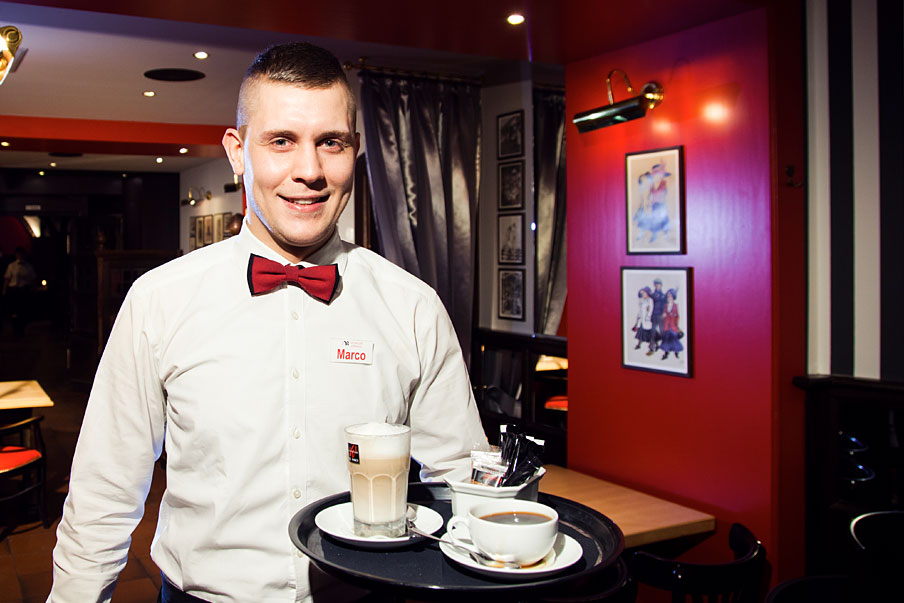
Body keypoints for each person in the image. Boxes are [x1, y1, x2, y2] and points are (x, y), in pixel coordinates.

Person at [49, 42, 488, 603]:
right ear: (237, 152)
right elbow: (104, 489)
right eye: (281, 141)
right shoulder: (159, 300)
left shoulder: (413, 306)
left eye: (331, 143)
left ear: (355, 151)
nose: (309, 171)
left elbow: (461, 487)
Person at [2, 246, 37, 336]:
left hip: (23, 290)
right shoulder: (12, 266)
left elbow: (32, 279)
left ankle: (21, 328)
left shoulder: (28, 266)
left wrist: (32, 289)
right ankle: (15, 328)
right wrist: (4, 290)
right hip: (14, 290)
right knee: (14, 310)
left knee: (23, 310)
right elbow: (7, 278)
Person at [659, 288, 683, 360]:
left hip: (673, 326)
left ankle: (676, 352)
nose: (669, 298)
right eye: (668, 296)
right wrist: (663, 316)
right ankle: (666, 353)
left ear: (673, 297)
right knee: (666, 339)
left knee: (674, 337)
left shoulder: (676, 306)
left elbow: (677, 317)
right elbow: (663, 315)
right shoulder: (665, 305)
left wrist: (677, 326)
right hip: (666, 325)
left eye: (671, 296)